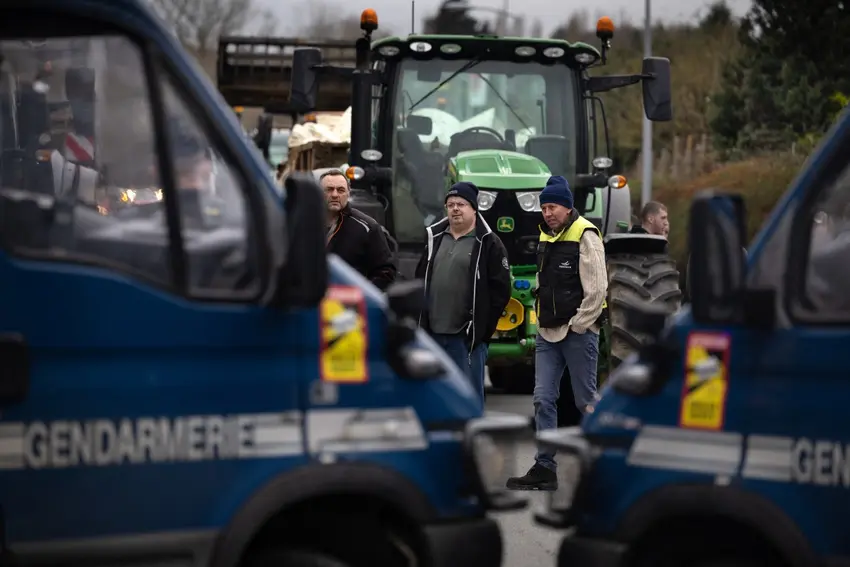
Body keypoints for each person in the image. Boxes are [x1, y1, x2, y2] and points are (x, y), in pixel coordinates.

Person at [506, 175, 608, 491]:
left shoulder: (586, 235)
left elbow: (598, 289)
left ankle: (601, 466)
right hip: (547, 333)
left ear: (567, 207)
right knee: (543, 399)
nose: (547, 213)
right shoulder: (545, 235)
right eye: (544, 208)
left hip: (578, 332)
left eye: (552, 207)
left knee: (585, 401)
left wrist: (578, 324)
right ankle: (544, 468)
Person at [415, 182, 511, 410]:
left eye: (461, 204)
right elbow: (420, 279)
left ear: (474, 209)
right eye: (450, 205)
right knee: (435, 399)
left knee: (468, 402)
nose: (455, 209)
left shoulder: (489, 243)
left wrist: (481, 332)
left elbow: (501, 291)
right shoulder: (435, 238)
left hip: (466, 340)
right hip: (433, 335)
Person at [321, 170, 396, 290]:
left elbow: (386, 272)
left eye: (340, 190)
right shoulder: (303, 224)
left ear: (348, 194)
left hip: (348, 300)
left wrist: (360, 293)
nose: (335, 195)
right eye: (329, 189)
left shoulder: (367, 228)